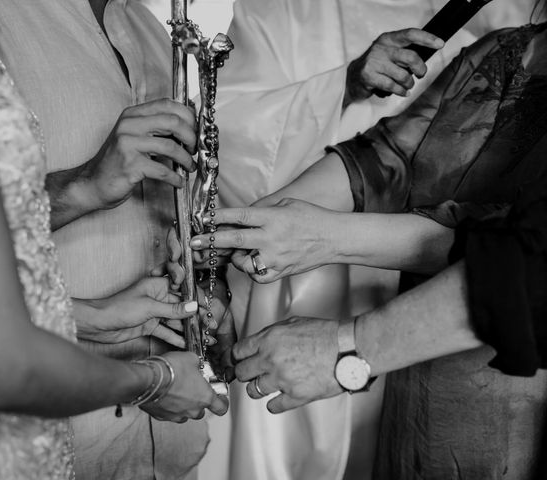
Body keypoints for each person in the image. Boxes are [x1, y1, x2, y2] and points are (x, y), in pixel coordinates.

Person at [191, 5, 547, 477]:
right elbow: (384, 159)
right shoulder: (510, 49)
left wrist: (345, 346)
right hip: (419, 379)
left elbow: (519, 252)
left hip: (512, 377)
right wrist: (223, 253)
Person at [0, 0, 228, 478]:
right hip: (39, 426)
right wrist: (84, 185)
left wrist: (205, 289)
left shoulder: (159, 34)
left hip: (167, 439)